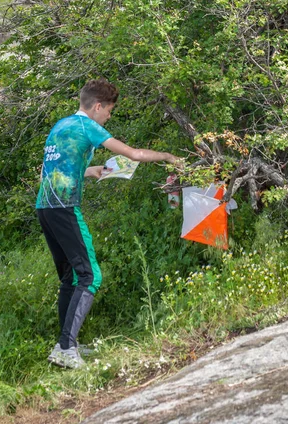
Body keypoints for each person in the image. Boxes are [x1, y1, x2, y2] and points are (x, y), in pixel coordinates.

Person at [36, 78, 178, 369]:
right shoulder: (89, 126)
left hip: (45, 208)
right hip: (64, 208)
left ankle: (66, 342)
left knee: (70, 277)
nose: (109, 117)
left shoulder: (60, 126)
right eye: (109, 111)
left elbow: (46, 174)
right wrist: (169, 157)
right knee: (90, 276)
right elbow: (134, 154)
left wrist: (89, 171)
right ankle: (65, 349)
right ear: (98, 106)